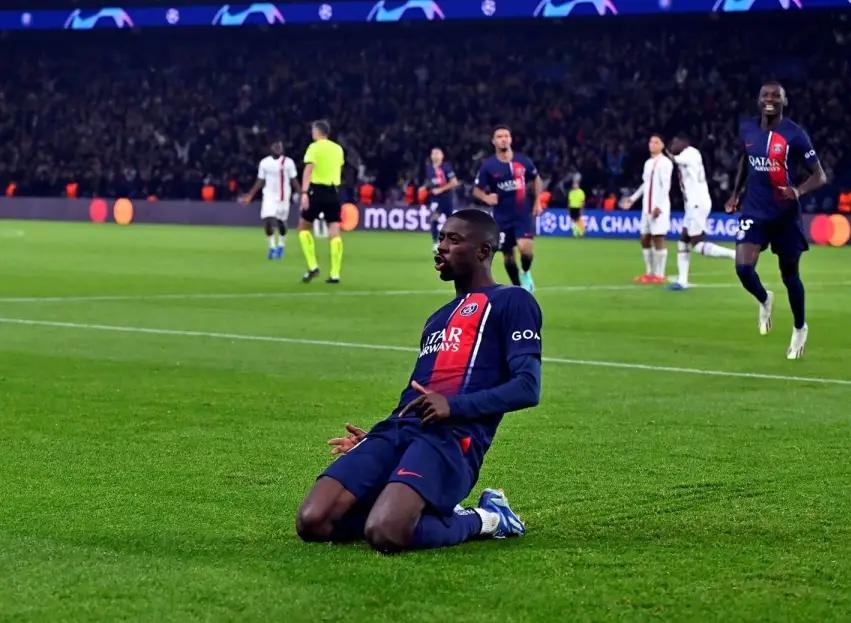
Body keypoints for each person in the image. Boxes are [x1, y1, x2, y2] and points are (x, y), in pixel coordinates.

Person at [295, 209, 542, 553]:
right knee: (313, 521)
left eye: (454, 240)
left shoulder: (512, 301)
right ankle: (400, 499)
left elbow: (528, 387)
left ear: (483, 251)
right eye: (441, 238)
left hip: (451, 438)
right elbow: (415, 394)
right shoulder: (436, 319)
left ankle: (489, 517)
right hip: (398, 432)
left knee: (386, 532)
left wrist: (453, 406)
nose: (441, 247)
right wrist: (374, 439)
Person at [725, 81, 826, 359]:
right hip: (754, 211)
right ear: (759, 100)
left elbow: (820, 175)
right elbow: (745, 161)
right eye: (765, 95)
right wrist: (735, 194)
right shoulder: (748, 128)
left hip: (784, 216)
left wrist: (798, 191)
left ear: (784, 101)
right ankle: (764, 298)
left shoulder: (795, 134)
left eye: (776, 96)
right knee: (743, 269)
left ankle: (799, 327)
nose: (770, 99)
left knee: (790, 276)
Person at [473, 126, 544, 293]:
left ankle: (526, 272)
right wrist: (486, 197)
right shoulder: (488, 166)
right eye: (499, 136)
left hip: (522, 214)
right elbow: (476, 190)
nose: (503, 139)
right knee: (508, 256)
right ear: (493, 141)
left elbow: (536, 179)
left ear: (510, 139)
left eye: (506, 136)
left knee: (525, 249)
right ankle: (518, 287)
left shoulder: (523, 161)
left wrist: (537, 201)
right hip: (501, 217)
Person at [666, 135, 735, 290]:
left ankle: (735, 255)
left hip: (697, 203)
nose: (673, 146)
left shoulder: (688, 154)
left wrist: (663, 151)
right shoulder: (692, 153)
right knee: (683, 241)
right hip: (693, 204)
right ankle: (682, 281)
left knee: (697, 244)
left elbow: (674, 159)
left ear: (684, 143)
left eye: (675, 143)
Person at [620, 134, 673, 284]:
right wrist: (632, 198)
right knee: (644, 239)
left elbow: (666, 186)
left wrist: (659, 206)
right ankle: (649, 273)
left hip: (658, 208)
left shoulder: (665, 163)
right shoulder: (648, 163)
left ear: (662, 145)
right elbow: (646, 185)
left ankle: (660, 274)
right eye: (651, 142)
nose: (652, 144)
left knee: (658, 238)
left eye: (656, 142)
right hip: (646, 208)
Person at [298, 120, 346, 284]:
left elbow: (309, 169)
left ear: (317, 132)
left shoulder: (314, 147)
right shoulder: (338, 149)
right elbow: (338, 168)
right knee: (334, 231)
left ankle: (313, 266)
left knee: (303, 227)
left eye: (313, 130)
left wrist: (304, 192)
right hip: (333, 191)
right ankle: (335, 274)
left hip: (316, 191)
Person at [239, 140, 299, 260]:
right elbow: (260, 180)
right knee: (268, 219)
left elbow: (294, 180)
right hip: (269, 195)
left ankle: (281, 244)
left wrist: (302, 193)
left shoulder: (288, 162)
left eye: (280, 147)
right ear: (270, 148)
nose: (278, 149)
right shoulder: (264, 163)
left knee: (281, 222)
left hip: (283, 196)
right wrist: (251, 195)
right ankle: (272, 247)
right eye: (276, 146)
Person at [421, 147, 459, 254]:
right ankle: (435, 243)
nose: (435, 155)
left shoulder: (446, 167)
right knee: (434, 219)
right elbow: (431, 182)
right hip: (435, 200)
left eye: (437, 153)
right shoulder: (428, 168)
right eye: (433, 153)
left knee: (451, 223)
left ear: (442, 156)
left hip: (447, 199)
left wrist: (440, 189)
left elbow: (454, 182)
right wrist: (424, 187)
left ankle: (452, 244)